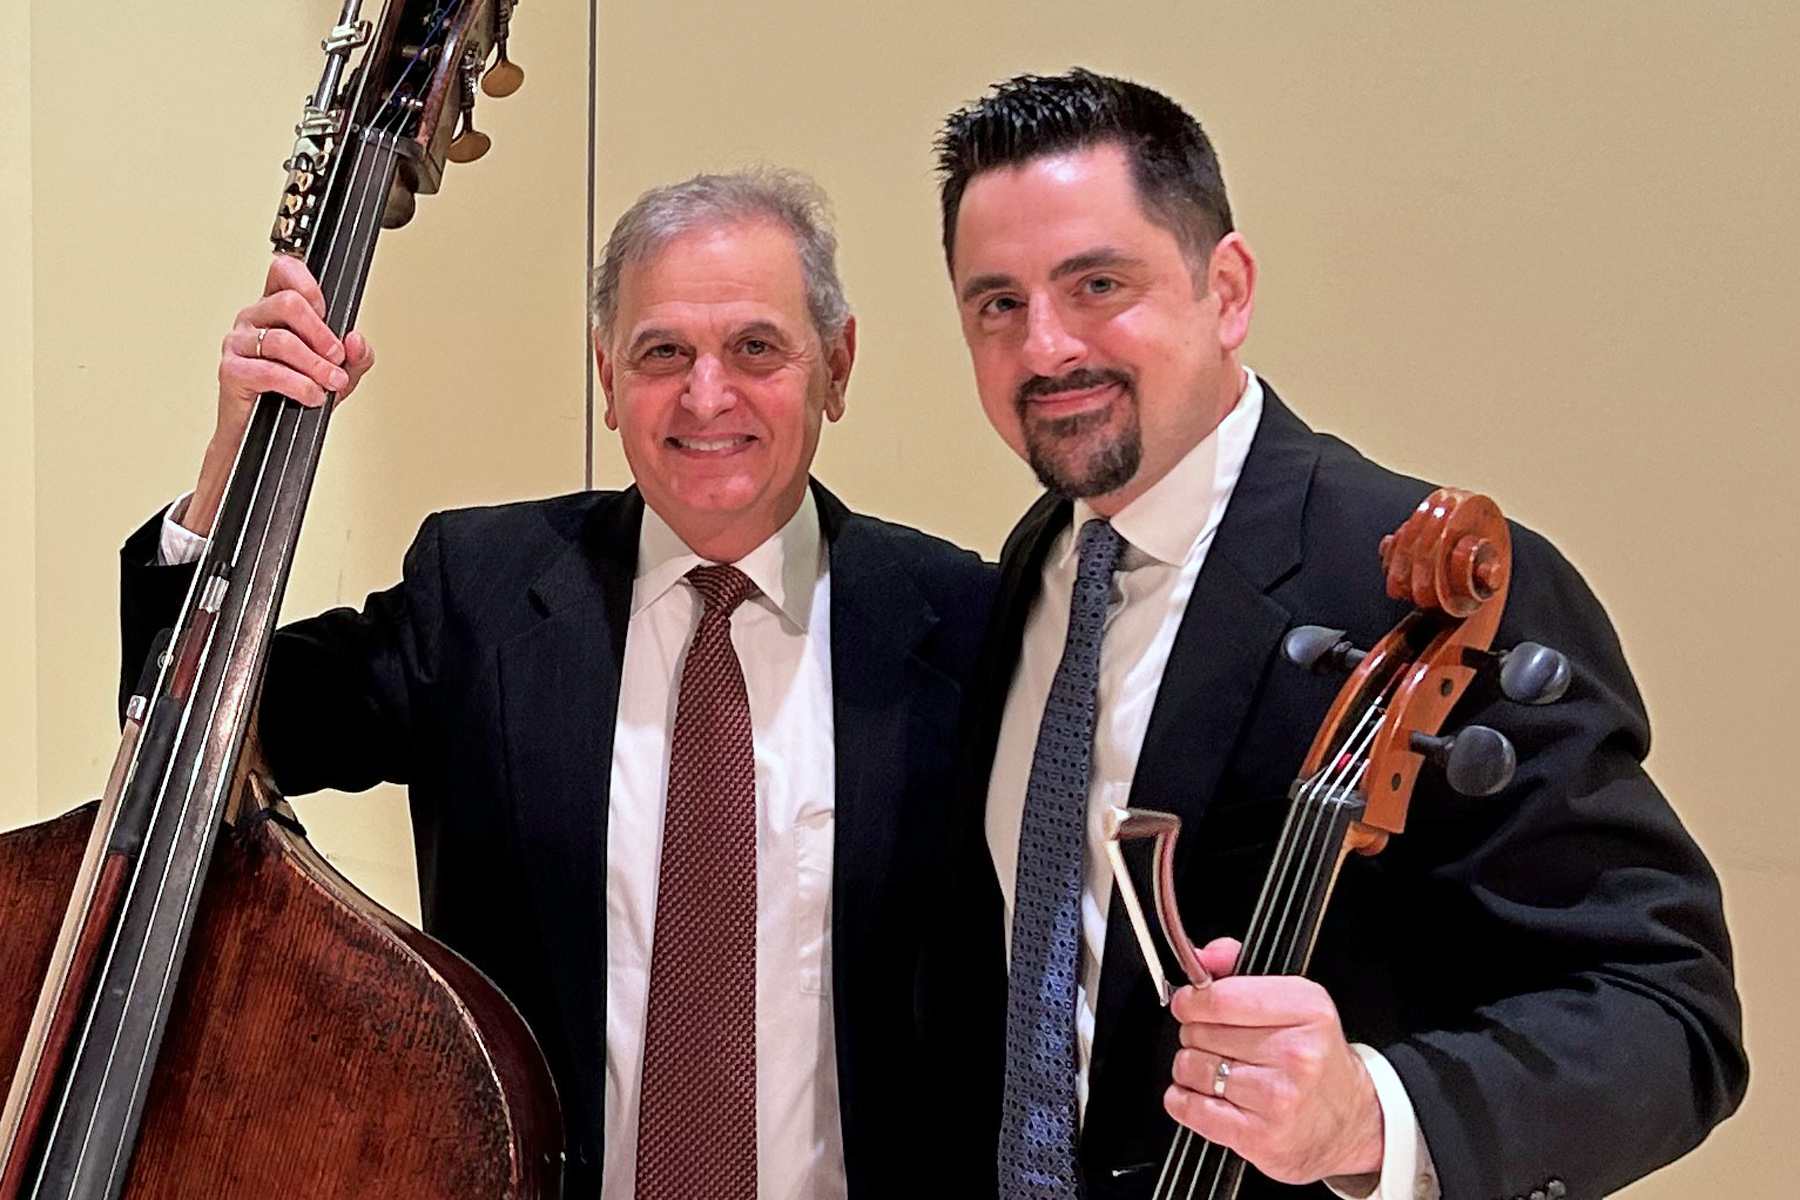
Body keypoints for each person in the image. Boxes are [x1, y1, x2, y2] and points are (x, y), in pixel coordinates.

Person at [916, 69, 1746, 1200]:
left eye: (1098, 283)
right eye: (997, 304)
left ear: (1228, 287)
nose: (1047, 348)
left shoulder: (1438, 592)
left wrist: (1371, 1113)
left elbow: (1667, 1015)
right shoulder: (1037, 569)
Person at [119, 169, 995, 1200]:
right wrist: (238, 455)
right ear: (606, 375)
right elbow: (202, 733)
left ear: (836, 366)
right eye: (661, 352)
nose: (706, 394)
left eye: (756, 348)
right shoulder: (481, 593)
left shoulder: (964, 620)